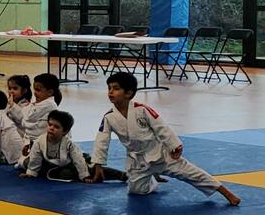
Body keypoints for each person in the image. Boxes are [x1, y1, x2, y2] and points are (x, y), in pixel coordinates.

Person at [91, 71, 240, 205]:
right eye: (109, 88)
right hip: (137, 161)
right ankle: (152, 180)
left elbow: (161, 127)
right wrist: (98, 163)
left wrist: (175, 145)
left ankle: (227, 193)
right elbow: (101, 140)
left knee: (191, 173)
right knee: (136, 190)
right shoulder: (109, 117)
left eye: (116, 88)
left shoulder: (141, 110)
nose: (110, 92)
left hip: (159, 154)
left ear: (128, 93)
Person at [21, 110, 90, 181]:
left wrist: (84, 176)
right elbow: (35, 158)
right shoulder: (39, 141)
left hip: (65, 165)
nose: (51, 128)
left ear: (65, 132)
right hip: (46, 163)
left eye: (56, 127)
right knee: (27, 162)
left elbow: (78, 160)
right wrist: (31, 173)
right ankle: (46, 171)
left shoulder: (69, 144)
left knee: (66, 173)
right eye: (50, 125)